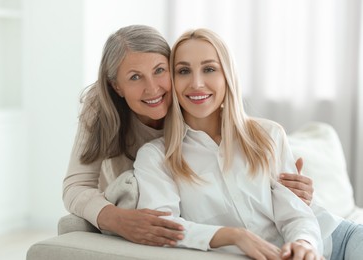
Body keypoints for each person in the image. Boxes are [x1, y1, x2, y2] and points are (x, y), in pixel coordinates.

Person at [62, 24, 316, 248]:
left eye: (160, 70)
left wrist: (288, 191)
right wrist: (118, 219)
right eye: (135, 77)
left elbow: (288, 210)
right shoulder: (108, 113)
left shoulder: (199, 104)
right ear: (117, 86)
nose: (152, 88)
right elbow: (76, 186)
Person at [133, 28, 363, 259]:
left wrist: (304, 244)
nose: (197, 83)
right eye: (183, 71)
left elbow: (295, 213)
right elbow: (164, 229)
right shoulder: (156, 157)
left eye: (209, 69)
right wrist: (234, 235)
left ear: (227, 76)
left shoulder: (268, 134)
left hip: (336, 239)